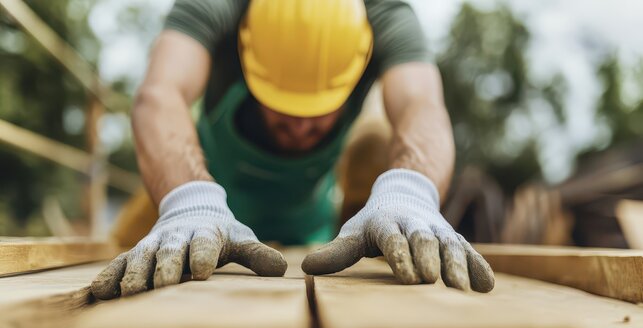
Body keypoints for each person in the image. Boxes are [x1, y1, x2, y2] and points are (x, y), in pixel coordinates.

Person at [91, 0, 495, 300]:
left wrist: (411, 191)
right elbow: (160, 93)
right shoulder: (216, 6)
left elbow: (422, 104)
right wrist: (186, 202)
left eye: (319, 110)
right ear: (248, 53)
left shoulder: (384, 12)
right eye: (282, 106)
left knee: (374, 140)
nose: (301, 126)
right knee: (113, 265)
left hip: (309, 219)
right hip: (188, 197)